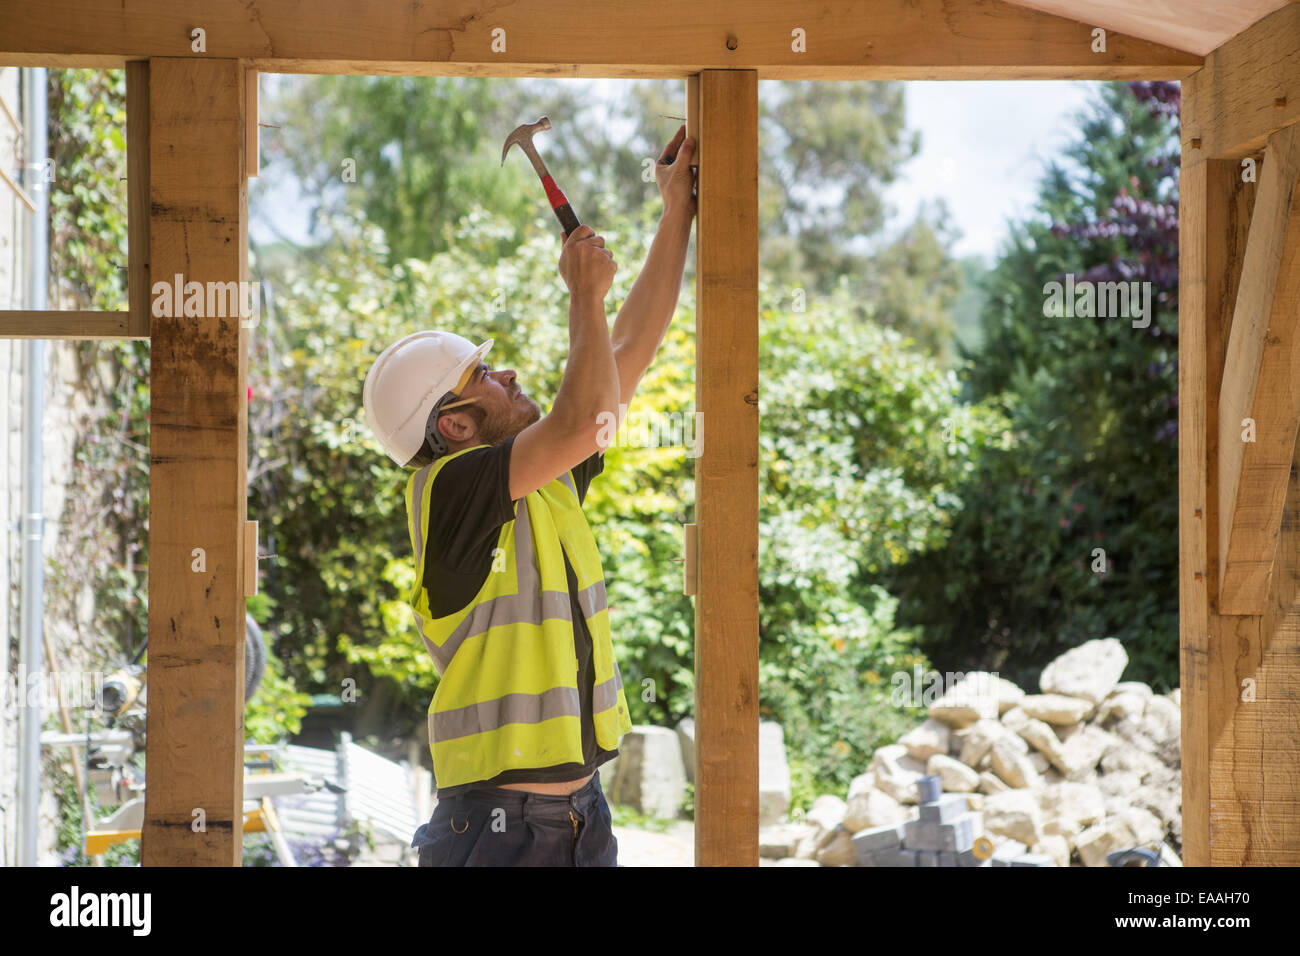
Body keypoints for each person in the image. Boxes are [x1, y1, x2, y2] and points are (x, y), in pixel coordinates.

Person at [362, 127, 697, 866]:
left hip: (581, 816)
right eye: (483, 376)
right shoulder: (448, 491)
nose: (507, 375)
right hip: (495, 827)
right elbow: (581, 416)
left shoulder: (539, 480)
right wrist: (583, 292)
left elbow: (630, 348)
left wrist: (676, 213)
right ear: (454, 426)